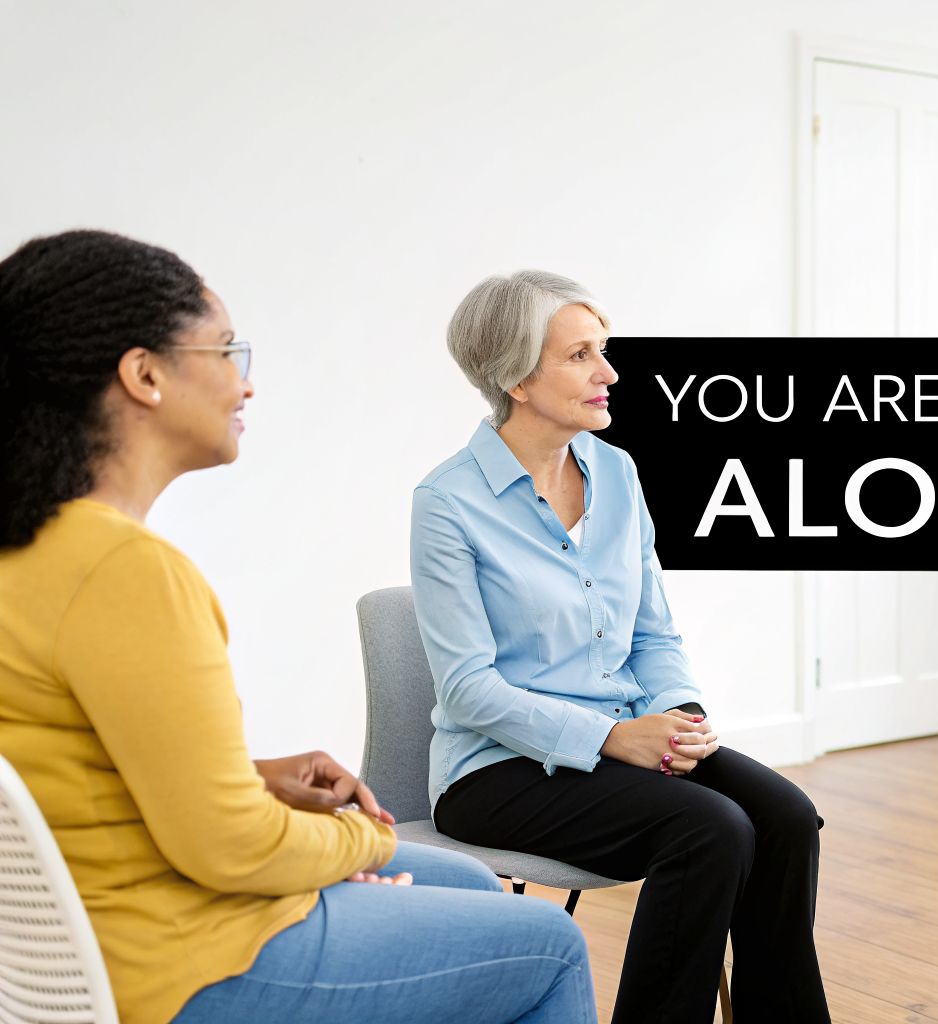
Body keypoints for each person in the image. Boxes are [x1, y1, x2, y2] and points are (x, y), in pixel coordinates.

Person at [0, 230, 594, 1024]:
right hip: (183, 958)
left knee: (473, 886)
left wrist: (249, 778)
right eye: (225, 352)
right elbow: (232, 849)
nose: (245, 386)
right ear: (144, 375)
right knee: (548, 945)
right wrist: (358, 845)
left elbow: (79, 769)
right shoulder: (126, 572)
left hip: (85, 944)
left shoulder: (31, 550)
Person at [413, 269, 829, 1024]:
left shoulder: (617, 471)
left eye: (603, 351)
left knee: (787, 817)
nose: (608, 373)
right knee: (710, 830)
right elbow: (469, 688)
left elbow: (652, 632)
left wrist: (680, 716)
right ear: (515, 375)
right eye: (580, 356)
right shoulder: (447, 503)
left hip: (625, 744)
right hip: (499, 771)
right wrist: (611, 736)